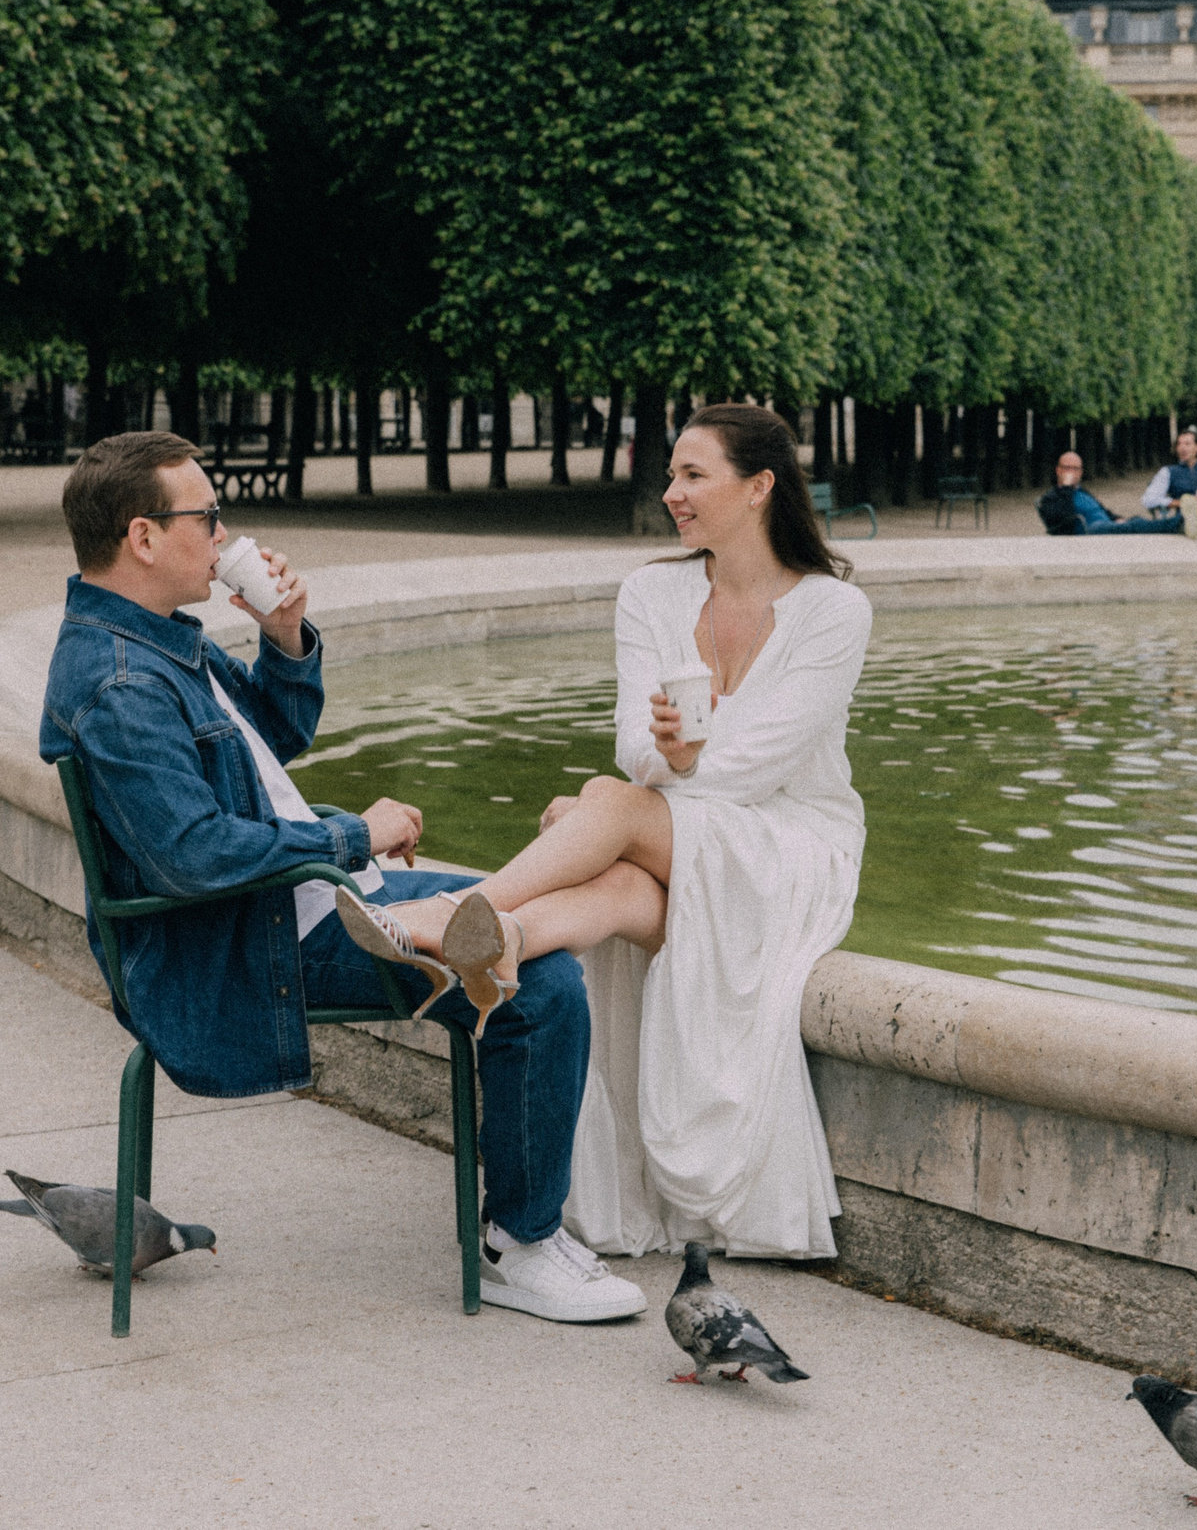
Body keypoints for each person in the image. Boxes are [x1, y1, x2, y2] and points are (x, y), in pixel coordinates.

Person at [37, 431, 646, 1324]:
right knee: (539, 979)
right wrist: (353, 837)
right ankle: (520, 1242)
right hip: (245, 939)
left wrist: (282, 637)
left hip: (294, 901)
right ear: (143, 536)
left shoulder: (155, 641)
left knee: (529, 915)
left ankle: (451, 934)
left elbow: (268, 748)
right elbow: (195, 854)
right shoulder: (122, 681)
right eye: (208, 517)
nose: (221, 534)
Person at [342, 404, 870, 1260]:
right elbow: (632, 741)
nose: (672, 494)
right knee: (619, 868)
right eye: (673, 474)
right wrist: (657, 768)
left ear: (761, 486)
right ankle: (502, 931)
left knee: (607, 804)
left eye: (694, 475)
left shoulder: (834, 612)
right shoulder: (653, 593)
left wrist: (650, 784)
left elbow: (761, 769)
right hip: (682, 827)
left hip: (794, 845)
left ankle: (448, 911)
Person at [1036, 451, 1181, 535]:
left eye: (1076, 469)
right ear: (1058, 471)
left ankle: (1174, 524)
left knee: (1134, 520)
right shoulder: (1051, 497)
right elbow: (1063, 519)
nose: (1073, 473)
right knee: (1134, 526)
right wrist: (1066, 488)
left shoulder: (1081, 491)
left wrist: (1117, 518)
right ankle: (1177, 523)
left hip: (1106, 525)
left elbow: (1102, 510)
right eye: (1068, 468)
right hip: (1088, 530)